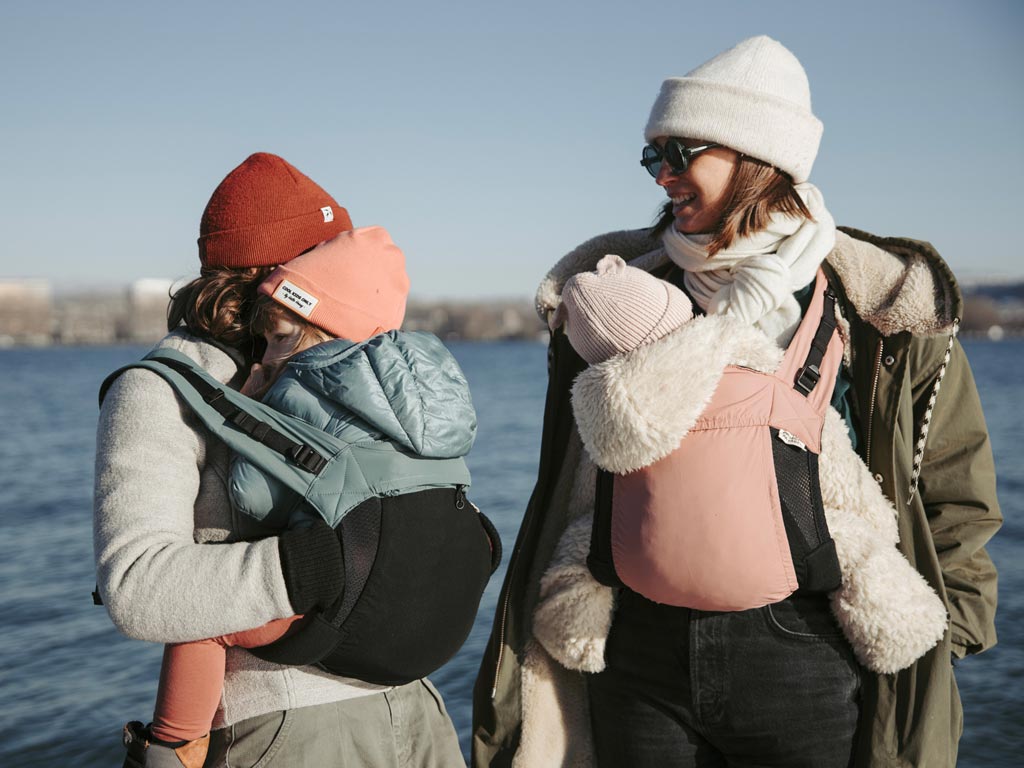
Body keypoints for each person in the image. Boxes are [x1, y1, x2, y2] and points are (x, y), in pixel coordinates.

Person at [472, 35, 1001, 768]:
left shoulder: (880, 306)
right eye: (651, 158)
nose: (661, 177)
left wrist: (951, 632)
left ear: (757, 156)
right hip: (638, 649)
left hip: (809, 648)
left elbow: (952, 482)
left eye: (679, 153)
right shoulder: (620, 296)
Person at [95, 154, 466, 768]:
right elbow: (138, 585)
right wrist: (318, 564)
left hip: (417, 702)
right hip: (288, 724)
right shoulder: (159, 390)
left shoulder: (368, 368)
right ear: (280, 273)